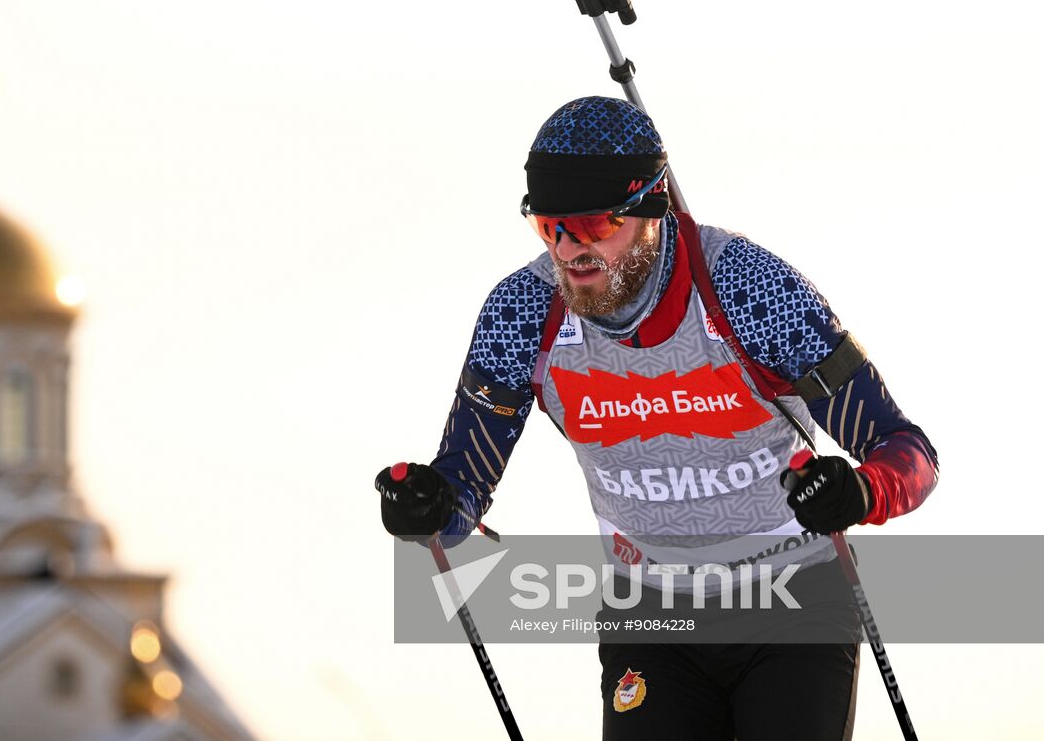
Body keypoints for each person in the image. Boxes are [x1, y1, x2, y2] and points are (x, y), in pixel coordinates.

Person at [375, 96, 938, 740]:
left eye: (591, 227)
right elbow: (460, 495)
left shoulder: (746, 290)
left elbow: (907, 450)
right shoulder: (522, 312)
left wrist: (860, 490)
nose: (569, 251)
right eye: (549, 227)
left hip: (792, 605)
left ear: (651, 211)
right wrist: (425, 507)